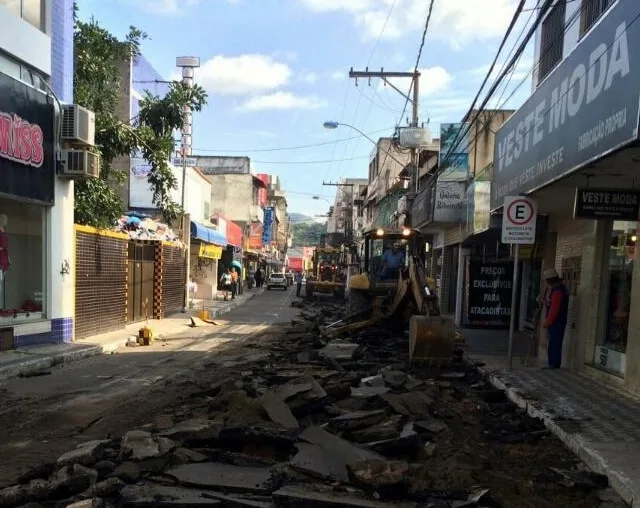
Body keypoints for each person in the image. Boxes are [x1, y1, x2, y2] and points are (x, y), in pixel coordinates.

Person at [543, 267, 569, 369]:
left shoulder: (558, 291)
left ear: (551, 280)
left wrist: (548, 321)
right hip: (559, 321)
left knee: (554, 344)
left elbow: (555, 308)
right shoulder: (561, 289)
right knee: (555, 343)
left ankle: (553, 364)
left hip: (556, 322)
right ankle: (553, 364)